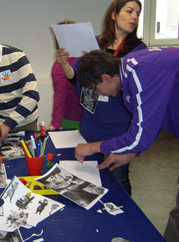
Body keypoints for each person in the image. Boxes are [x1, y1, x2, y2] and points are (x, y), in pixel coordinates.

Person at [75, 47, 179, 242]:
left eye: (95, 89)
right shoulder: (129, 69)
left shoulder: (140, 74)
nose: (97, 94)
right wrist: (133, 152)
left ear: (106, 77)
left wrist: (90, 147)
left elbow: (139, 136)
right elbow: (154, 120)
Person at [55, 0, 147, 195]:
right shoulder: (96, 43)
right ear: (113, 15)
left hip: (118, 126)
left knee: (118, 181)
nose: (134, 18)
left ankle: (123, 221)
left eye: (138, 14)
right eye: (129, 11)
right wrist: (64, 63)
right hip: (91, 122)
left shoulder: (139, 50)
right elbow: (77, 77)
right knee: (90, 181)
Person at [45, 19, 83, 132]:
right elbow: (60, 95)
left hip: (93, 118)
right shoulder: (59, 65)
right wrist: (56, 123)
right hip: (74, 120)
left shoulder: (87, 58)